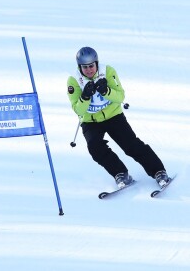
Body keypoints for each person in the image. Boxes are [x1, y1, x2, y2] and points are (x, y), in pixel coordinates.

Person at [67, 46, 170, 188]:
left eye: (91, 66)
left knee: (131, 145)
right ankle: (120, 173)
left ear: (96, 63)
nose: (89, 70)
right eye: (84, 67)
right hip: (91, 121)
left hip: (113, 115)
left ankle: (158, 171)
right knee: (95, 149)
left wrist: (106, 90)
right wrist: (85, 96)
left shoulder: (107, 72)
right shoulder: (74, 81)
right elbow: (78, 110)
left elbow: (120, 96)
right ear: (79, 67)